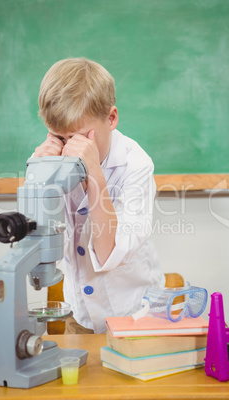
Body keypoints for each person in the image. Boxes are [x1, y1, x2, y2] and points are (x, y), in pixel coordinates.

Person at [34, 58, 164, 334]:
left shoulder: (136, 164)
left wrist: (94, 173)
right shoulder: (47, 161)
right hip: (79, 316)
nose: (72, 150)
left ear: (112, 118)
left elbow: (107, 254)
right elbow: (37, 249)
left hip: (135, 317)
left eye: (82, 137)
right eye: (61, 138)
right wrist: (38, 178)